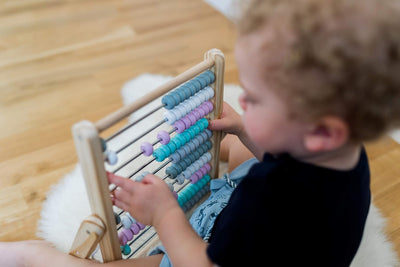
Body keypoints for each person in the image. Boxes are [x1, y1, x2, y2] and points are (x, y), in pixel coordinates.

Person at [1, 0, 400, 266]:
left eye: (255, 99)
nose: (243, 101)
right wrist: (247, 130)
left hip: (222, 253)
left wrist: (165, 214)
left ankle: (26, 256)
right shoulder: (343, 158)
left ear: (321, 131)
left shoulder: (266, 206)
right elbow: (283, 165)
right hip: (287, 242)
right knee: (233, 142)